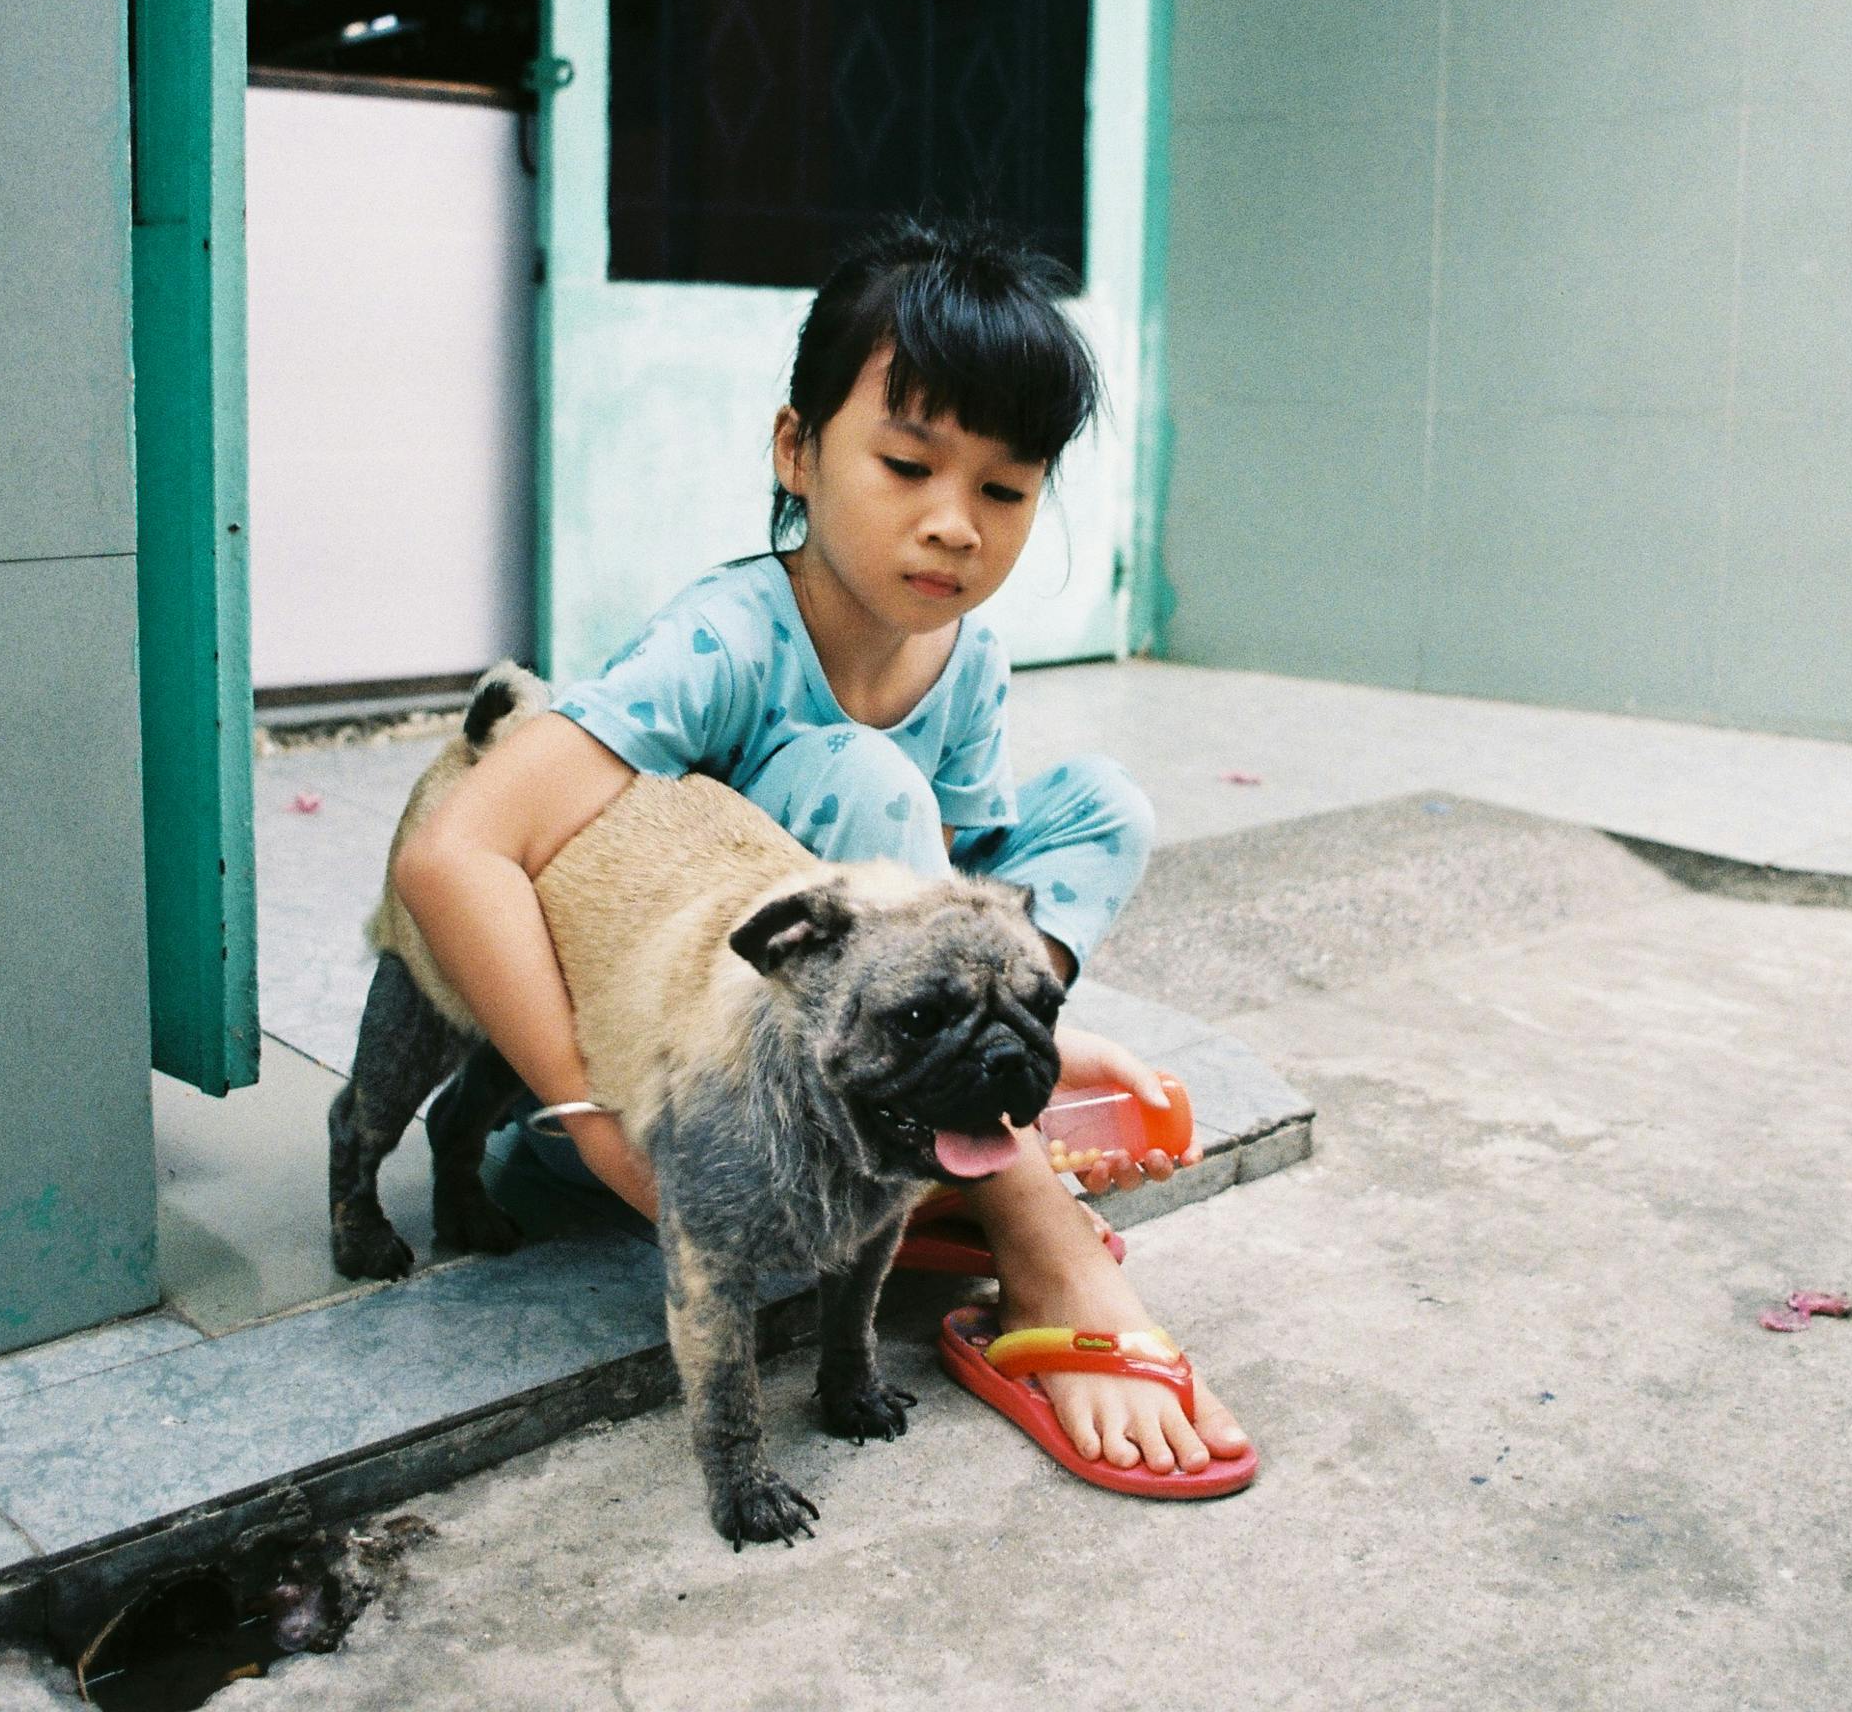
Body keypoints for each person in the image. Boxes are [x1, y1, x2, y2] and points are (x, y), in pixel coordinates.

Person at [393, 216, 1252, 1485]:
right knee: (867, 799)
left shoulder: (969, 658)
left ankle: (962, 1109)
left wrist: (1017, 1034)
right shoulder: (724, 642)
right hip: (684, 1094)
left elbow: (948, 910)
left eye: (1005, 491)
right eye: (908, 466)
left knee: (1096, 808)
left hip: (842, 1069)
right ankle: (1030, 1226)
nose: (957, 526)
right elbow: (453, 855)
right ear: (796, 451)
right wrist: (587, 1116)